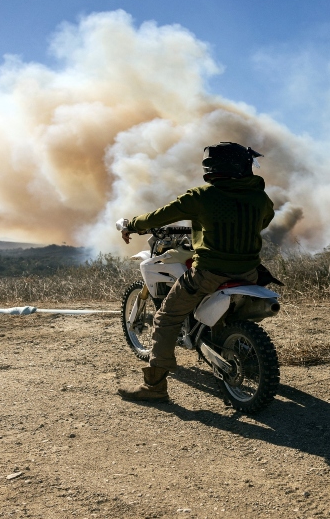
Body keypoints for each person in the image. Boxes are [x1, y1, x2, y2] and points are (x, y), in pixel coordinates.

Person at [115, 142, 275, 402]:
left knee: (165, 317)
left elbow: (159, 216)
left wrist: (130, 225)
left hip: (209, 273)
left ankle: (155, 388)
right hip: (249, 273)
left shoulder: (202, 196)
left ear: (212, 167)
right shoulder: (260, 198)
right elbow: (264, 220)